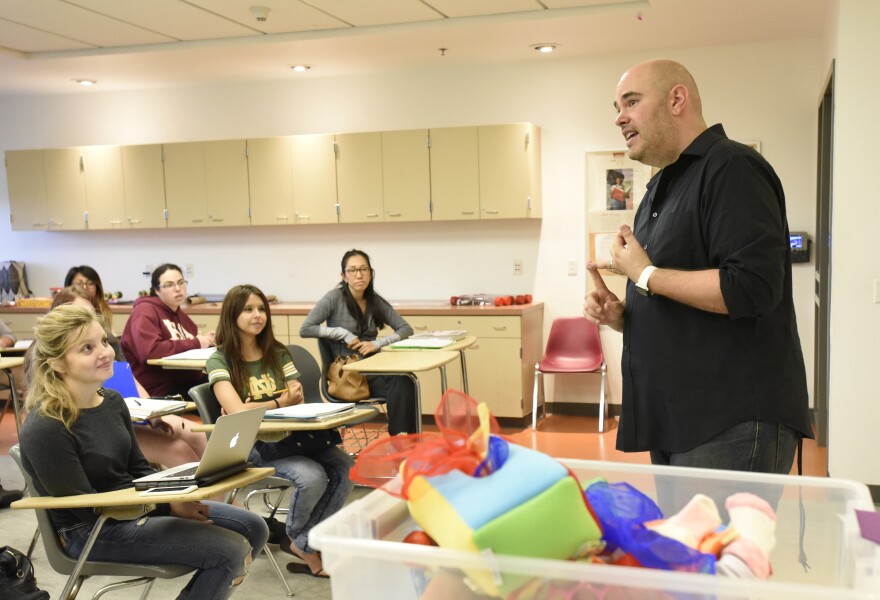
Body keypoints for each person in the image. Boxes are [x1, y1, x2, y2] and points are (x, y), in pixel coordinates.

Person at [583, 59, 813, 475]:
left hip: (731, 422)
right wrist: (624, 316)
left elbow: (751, 287)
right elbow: (675, 298)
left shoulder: (732, 167)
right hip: (674, 420)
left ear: (676, 99)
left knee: (716, 545)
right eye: (617, 106)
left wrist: (645, 275)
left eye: (631, 102)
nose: (619, 117)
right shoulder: (658, 190)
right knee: (683, 544)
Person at [19, 304, 268, 598]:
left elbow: (139, 470)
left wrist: (178, 495)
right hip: (91, 531)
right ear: (58, 364)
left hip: (134, 512)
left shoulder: (111, 402)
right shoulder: (46, 425)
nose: (105, 352)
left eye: (103, 342)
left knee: (254, 527)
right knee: (229, 551)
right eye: (87, 348)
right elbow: (86, 508)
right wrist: (168, 506)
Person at [208, 284, 353, 578]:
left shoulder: (277, 352)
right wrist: (277, 401)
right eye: (248, 309)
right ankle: (308, 545)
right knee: (312, 477)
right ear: (232, 315)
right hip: (254, 444)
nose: (257, 315)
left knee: (347, 468)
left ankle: (302, 541)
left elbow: (296, 395)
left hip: (294, 438)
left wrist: (261, 406)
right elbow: (236, 413)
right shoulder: (219, 359)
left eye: (261, 309)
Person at [300, 249, 417, 435]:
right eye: (352, 270)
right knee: (402, 383)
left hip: (371, 368)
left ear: (371, 273)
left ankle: (406, 440)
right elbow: (305, 329)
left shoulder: (374, 300)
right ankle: (401, 439)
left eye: (364, 269)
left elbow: (405, 329)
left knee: (407, 380)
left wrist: (378, 343)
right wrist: (341, 332)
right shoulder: (334, 298)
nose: (359, 275)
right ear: (344, 276)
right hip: (347, 374)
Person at [121, 264, 215, 397]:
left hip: (189, 381)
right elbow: (150, 351)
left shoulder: (181, 316)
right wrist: (196, 342)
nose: (178, 289)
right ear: (157, 290)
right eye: (169, 285)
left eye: (181, 282)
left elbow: (190, 344)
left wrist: (206, 340)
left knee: (229, 384)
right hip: (162, 388)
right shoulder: (144, 312)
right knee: (219, 396)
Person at [64, 266, 115, 333]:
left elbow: (110, 338)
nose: (85, 287)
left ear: (97, 288)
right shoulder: (63, 312)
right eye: (79, 283)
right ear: (69, 286)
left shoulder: (104, 310)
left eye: (90, 283)